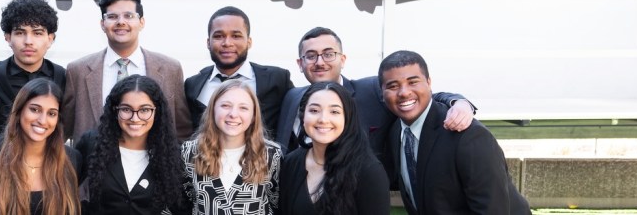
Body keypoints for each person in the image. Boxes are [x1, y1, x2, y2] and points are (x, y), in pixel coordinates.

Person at [275, 27, 477, 189]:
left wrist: (458, 102)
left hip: (362, 195)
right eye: (310, 56)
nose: (320, 62)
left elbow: (421, 96)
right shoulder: (292, 97)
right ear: (300, 64)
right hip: (304, 194)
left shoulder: (372, 90)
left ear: (342, 60)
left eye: (329, 54)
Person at [379, 50, 529, 215]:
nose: (404, 92)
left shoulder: (469, 135)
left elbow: (492, 210)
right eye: (393, 86)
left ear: (429, 83)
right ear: (381, 91)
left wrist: (461, 102)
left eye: (413, 82)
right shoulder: (396, 132)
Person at [63, 0, 192, 142]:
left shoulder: (170, 68)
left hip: (154, 163)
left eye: (129, 16)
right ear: (103, 24)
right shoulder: (77, 71)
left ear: (141, 22)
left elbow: (182, 131)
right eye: (112, 16)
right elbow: (63, 130)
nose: (121, 22)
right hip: (92, 164)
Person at [76, 75, 187, 214]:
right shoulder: (92, 143)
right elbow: (64, 189)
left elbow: (182, 208)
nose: (135, 118)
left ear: (156, 111)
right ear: (115, 110)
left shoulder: (172, 153)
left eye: (144, 110)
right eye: (126, 109)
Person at [279, 82, 389, 214]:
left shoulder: (369, 171)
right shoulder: (290, 163)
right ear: (303, 116)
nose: (323, 119)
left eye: (334, 112)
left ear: (347, 118)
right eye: (314, 110)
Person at [0, 78, 81, 215]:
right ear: (19, 110)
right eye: (35, 109)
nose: (42, 120)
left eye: (51, 113)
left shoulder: (71, 159)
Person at [185, 6, 293, 137]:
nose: (227, 43)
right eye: (219, 36)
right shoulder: (192, 85)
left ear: (249, 42)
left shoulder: (277, 79)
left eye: (236, 36)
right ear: (208, 42)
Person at [182, 79, 281, 214]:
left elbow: (277, 204)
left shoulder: (270, 155)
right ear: (212, 110)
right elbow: (182, 203)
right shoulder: (190, 152)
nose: (233, 114)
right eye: (226, 106)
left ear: (253, 116)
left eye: (243, 108)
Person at [0, 0, 66, 113]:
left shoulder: (63, 77)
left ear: (50, 39)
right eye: (20, 33)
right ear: (8, 38)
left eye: (37, 33)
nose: (28, 41)